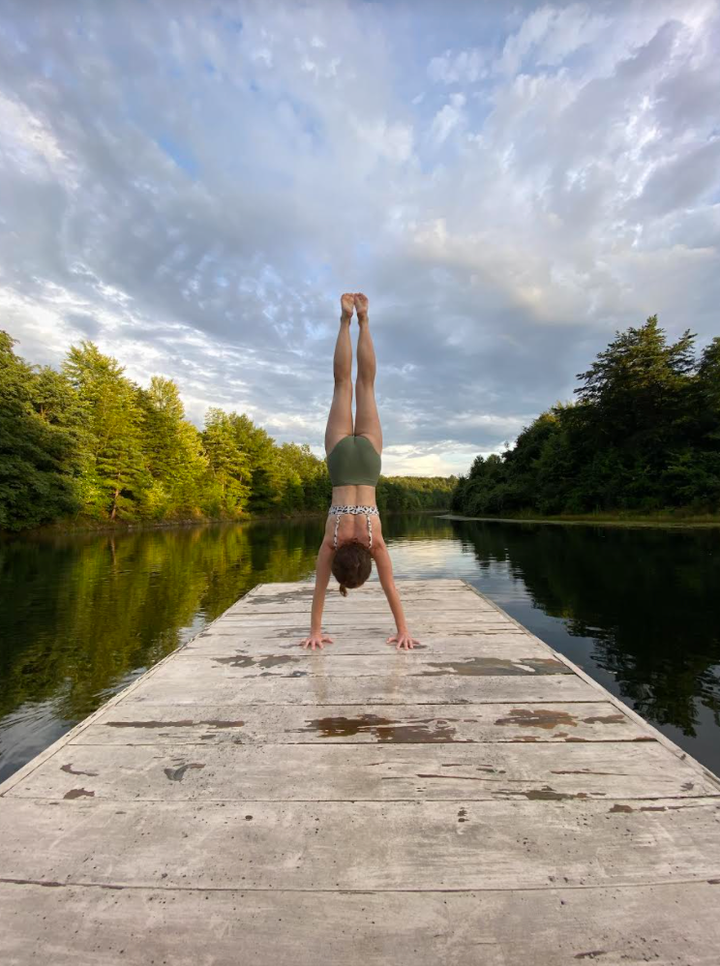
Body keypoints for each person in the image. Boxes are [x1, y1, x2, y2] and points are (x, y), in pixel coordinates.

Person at [300, 293, 420, 652]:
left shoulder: (375, 543)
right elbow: (320, 589)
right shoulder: (330, 543)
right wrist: (315, 631)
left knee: (365, 387)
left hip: (367, 465)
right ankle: (346, 320)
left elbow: (390, 588)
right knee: (344, 385)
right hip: (340, 463)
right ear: (338, 562)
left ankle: (364, 320)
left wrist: (404, 631)